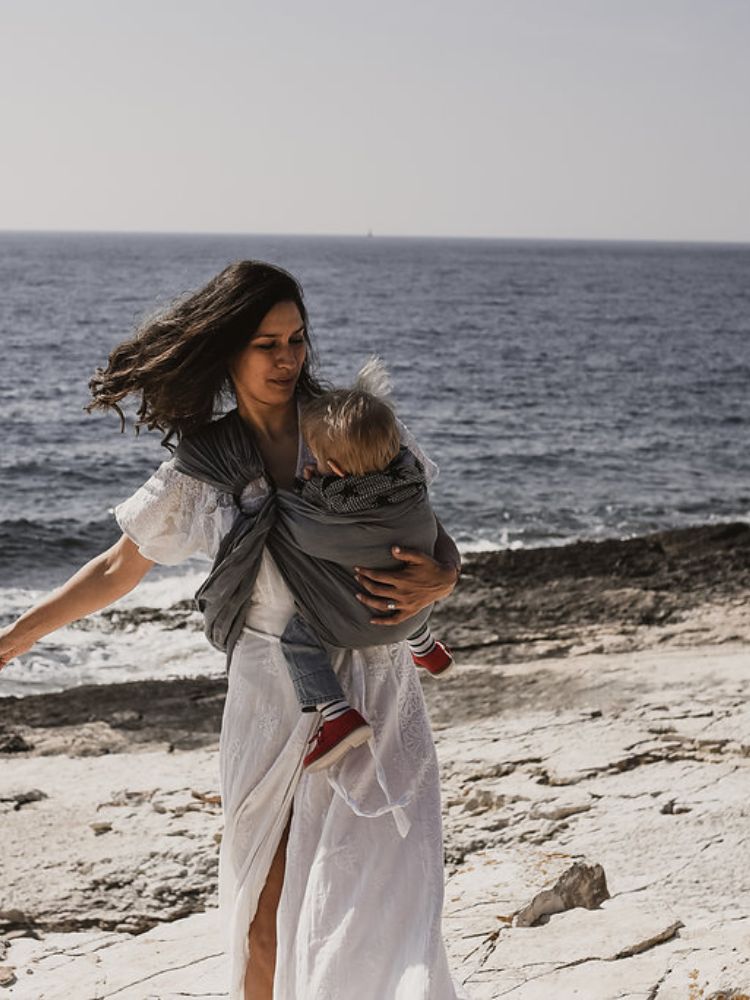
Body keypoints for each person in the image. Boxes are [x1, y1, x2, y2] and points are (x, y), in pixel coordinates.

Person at [0, 260, 464, 1000]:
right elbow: (120, 568)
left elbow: (418, 523)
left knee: (381, 907)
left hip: (374, 689)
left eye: (297, 340)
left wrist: (445, 573)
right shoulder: (206, 464)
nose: (288, 359)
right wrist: (11, 643)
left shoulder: (352, 424)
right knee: (264, 910)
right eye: (266, 344)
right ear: (227, 351)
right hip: (273, 696)